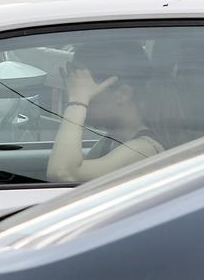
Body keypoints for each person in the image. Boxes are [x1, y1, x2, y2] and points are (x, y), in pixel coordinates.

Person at [46, 39, 175, 183]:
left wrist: (78, 102)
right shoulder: (111, 142)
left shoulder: (144, 150)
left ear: (123, 94)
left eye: (84, 88)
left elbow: (63, 173)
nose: (73, 92)